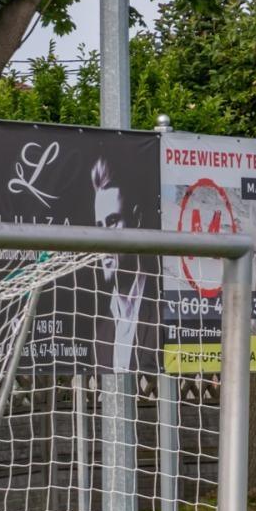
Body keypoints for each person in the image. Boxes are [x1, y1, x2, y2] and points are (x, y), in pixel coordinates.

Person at [90, 157, 150, 373]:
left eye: (113, 221)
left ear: (136, 219)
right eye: (99, 226)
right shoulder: (100, 330)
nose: (105, 239)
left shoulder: (163, 307)